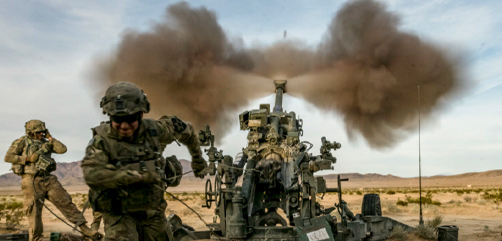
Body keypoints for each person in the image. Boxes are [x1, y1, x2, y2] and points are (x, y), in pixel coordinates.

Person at [81, 81, 207, 241]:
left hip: (151, 212)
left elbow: (186, 130)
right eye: (118, 119)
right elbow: (92, 175)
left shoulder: (156, 130)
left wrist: (197, 159)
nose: (124, 126)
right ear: (109, 116)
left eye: (130, 118)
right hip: (119, 213)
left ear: (141, 114)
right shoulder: (102, 141)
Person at [4, 120, 102, 241]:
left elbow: (62, 149)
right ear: (32, 132)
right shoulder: (21, 142)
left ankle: (85, 230)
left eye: (43, 131)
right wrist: (28, 158)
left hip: (48, 178)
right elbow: (8, 157)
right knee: (34, 212)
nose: (41, 134)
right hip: (31, 179)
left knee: (66, 202)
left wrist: (50, 137)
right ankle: (36, 238)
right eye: (39, 132)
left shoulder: (47, 143)